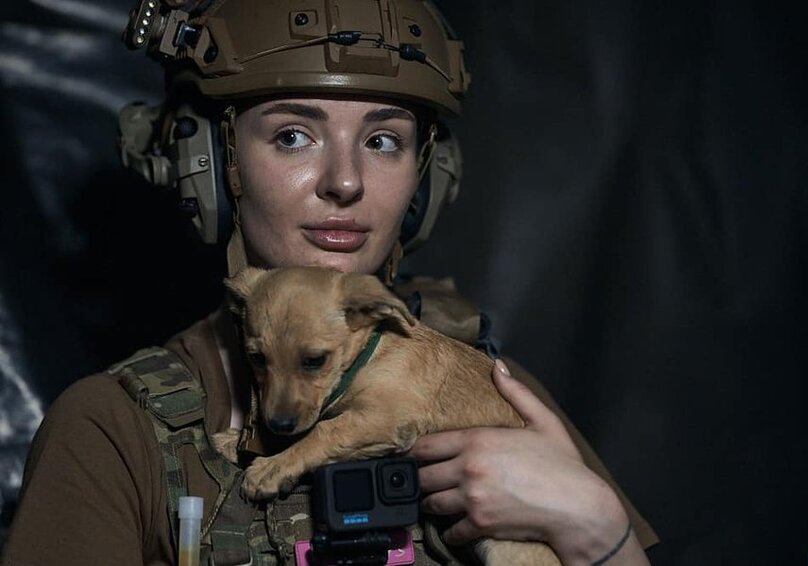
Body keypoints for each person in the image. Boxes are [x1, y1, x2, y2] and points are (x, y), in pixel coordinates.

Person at [2, 1, 658, 564]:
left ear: (427, 178)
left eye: (382, 141)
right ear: (207, 165)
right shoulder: (114, 430)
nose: (345, 182)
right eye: (293, 135)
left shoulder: (496, 393)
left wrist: (596, 525)